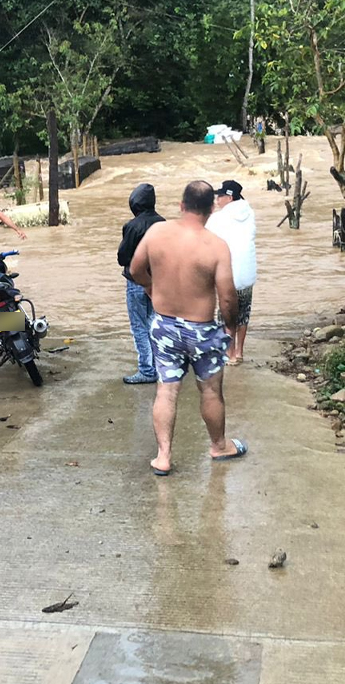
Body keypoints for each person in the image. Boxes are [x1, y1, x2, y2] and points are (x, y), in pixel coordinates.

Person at [129, 180, 248, 476]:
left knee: (166, 392)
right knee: (210, 392)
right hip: (202, 331)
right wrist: (230, 328)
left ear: (181, 206)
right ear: (211, 209)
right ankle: (219, 446)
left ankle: (163, 457)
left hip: (164, 325)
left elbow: (134, 269)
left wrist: (151, 287)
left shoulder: (156, 232)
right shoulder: (217, 247)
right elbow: (228, 296)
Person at [116, 183, 165, 384]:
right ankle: (160, 365)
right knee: (156, 323)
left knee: (139, 326)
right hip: (159, 281)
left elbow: (122, 256)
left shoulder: (132, 226)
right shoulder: (163, 223)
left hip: (136, 282)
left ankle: (146, 369)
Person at [206, 180, 258, 365]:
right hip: (247, 271)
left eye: (219, 196)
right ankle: (240, 352)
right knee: (244, 313)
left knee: (226, 314)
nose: (217, 200)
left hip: (227, 273)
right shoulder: (250, 213)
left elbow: (206, 238)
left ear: (229, 198)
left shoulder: (218, 218)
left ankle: (229, 354)